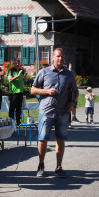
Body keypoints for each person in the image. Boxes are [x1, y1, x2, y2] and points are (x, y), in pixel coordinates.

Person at [31, 48, 79, 178]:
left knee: (60, 140)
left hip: (63, 112)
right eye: (58, 56)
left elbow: (76, 91)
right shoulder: (44, 72)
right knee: (43, 140)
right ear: (52, 57)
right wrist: (46, 91)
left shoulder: (68, 74)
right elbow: (33, 90)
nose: (60, 58)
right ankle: (41, 165)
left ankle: (58, 167)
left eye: (62, 56)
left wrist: (72, 103)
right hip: (46, 112)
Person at [8, 59, 27, 125]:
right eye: (16, 63)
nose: (17, 64)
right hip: (13, 92)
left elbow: (25, 81)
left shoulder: (21, 71)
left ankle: (18, 122)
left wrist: (25, 77)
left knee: (19, 108)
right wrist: (17, 76)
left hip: (20, 91)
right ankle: (11, 122)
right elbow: (10, 80)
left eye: (18, 63)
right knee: (12, 108)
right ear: (13, 64)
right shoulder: (11, 70)